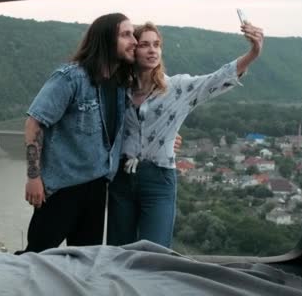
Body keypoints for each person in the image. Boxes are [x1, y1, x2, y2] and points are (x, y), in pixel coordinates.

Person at [106, 21, 264, 248]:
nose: (153, 50)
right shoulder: (118, 90)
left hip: (159, 179)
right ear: (133, 50)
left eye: (157, 44)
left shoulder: (177, 88)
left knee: (154, 254)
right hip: (122, 178)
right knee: (117, 252)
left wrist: (253, 52)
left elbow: (216, 79)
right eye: (145, 45)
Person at [16, 13, 136, 254]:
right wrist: (33, 177)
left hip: (97, 186)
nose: (133, 40)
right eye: (126, 34)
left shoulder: (120, 84)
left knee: (84, 262)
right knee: (37, 257)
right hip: (62, 189)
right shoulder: (72, 77)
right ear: (105, 39)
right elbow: (34, 123)